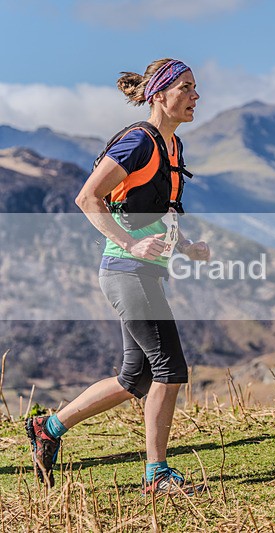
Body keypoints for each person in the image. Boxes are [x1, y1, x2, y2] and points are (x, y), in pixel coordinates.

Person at [25, 58, 210, 494]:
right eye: (186, 88)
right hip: (126, 270)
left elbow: (157, 209)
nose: (196, 96)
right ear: (159, 95)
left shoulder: (172, 147)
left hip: (143, 270)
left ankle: (48, 427)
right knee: (169, 368)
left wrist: (185, 246)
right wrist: (129, 244)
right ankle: (158, 474)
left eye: (196, 88)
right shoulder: (136, 142)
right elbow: (87, 197)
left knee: (136, 377)